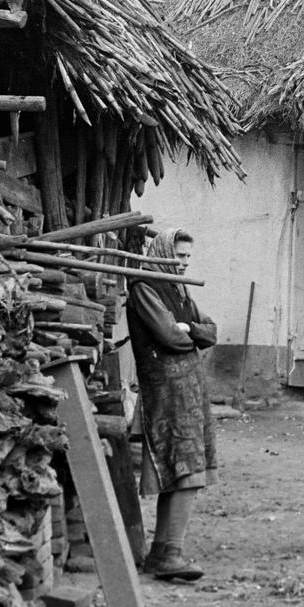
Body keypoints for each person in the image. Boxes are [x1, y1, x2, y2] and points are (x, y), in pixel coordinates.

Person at [127, 227, 217, 582]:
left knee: (186, 471)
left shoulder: (179, 291)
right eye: (178, 257)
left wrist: (190, 328)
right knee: (182, 470)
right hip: (166, 391)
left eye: (187, 258)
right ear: (163, 253)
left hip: (189, 394)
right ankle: (169, 554)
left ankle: (161, 554)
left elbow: (210, 332)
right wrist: (188, 332)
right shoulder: (145, 288)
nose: (183, 264)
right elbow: (169, 337)